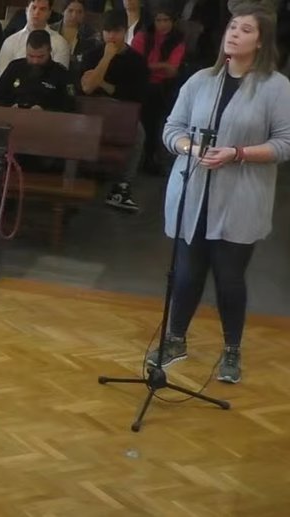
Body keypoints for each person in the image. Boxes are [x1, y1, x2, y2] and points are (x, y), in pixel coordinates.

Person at [151, 3, 290, 384]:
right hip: (192, 191)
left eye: (245, 30)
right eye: (232, 27)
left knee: (229, 277)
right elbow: (171, 129)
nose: (234, 34)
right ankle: (175, 340)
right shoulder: (201, 80)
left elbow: (285, 143)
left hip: (240, 197)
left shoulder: (276, 87)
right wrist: (190, 148)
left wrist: (238, 153)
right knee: (185, 273)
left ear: (260, 41)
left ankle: (231, 350)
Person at [79, 9, 148, 212]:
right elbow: (87, 88)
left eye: (116, 31)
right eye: (107, 31)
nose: (111, 36)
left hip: (121, 110)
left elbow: (134, 95)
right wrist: (106, 58)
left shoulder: (136, 60)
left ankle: (122, 187)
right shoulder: (92, 55)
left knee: (139, 133)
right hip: (91, 108)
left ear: (125, 31)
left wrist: (102, 83)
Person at [132, 4, 187, 172]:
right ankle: (145, 159)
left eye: (166, 20)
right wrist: (162, 65)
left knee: (157, 109)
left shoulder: (177, 40)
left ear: (173, 22)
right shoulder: (142, 36)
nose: (163, 24)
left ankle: (151, 158)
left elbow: (172, 70)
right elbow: (135, 65)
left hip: (163, 86)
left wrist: (150, 66)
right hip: (139, 83)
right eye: (159, 20)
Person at [0, 30, 76, 112]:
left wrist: (46, 111)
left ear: (50, 50)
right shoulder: (15, 67)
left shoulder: (61, 73)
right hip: (13, 115)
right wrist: (9, 107)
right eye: (31, 56)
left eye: (40, 57)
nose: (35, 61)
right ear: (26, 51)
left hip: (47, 118)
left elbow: (70, 105)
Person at [0, 0, 72, 80]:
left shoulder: (60, 43)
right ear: (26, 10)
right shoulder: (10, 41)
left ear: (49, 13)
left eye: (42, 9)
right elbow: (0, 76)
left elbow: (60, 77)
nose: (36, 13)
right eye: (33, 7)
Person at [51, 0, 100, 68]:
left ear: (84, 14)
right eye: (70, 11)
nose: (74, 16)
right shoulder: (51, 30)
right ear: (63, 11)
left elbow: (90, 59)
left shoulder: (90, 34)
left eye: (79, 12)